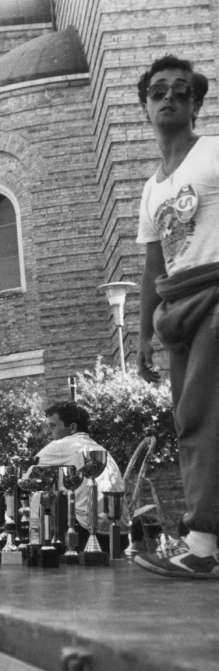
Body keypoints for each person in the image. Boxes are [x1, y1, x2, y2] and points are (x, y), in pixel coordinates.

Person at [135, 54, 219, 578]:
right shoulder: (153, 188)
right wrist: (142, 334)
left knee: (206, 418)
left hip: (216, 294)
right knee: (191, 420)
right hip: (179, 309)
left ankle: (202, 543)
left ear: (195, 104)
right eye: (159, 90)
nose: (170, 97)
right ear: (145, 104)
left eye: (181, 91)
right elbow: (152, 264)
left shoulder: (213, 153)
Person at [35, 401, 130, 552]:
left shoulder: (64, 444)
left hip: (87, 536)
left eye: (52, 426)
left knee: (43, 493)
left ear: (72, 427)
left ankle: (31, 545)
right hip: (120, 537)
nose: (47, 432)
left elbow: (27, 472)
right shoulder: (99, 448)